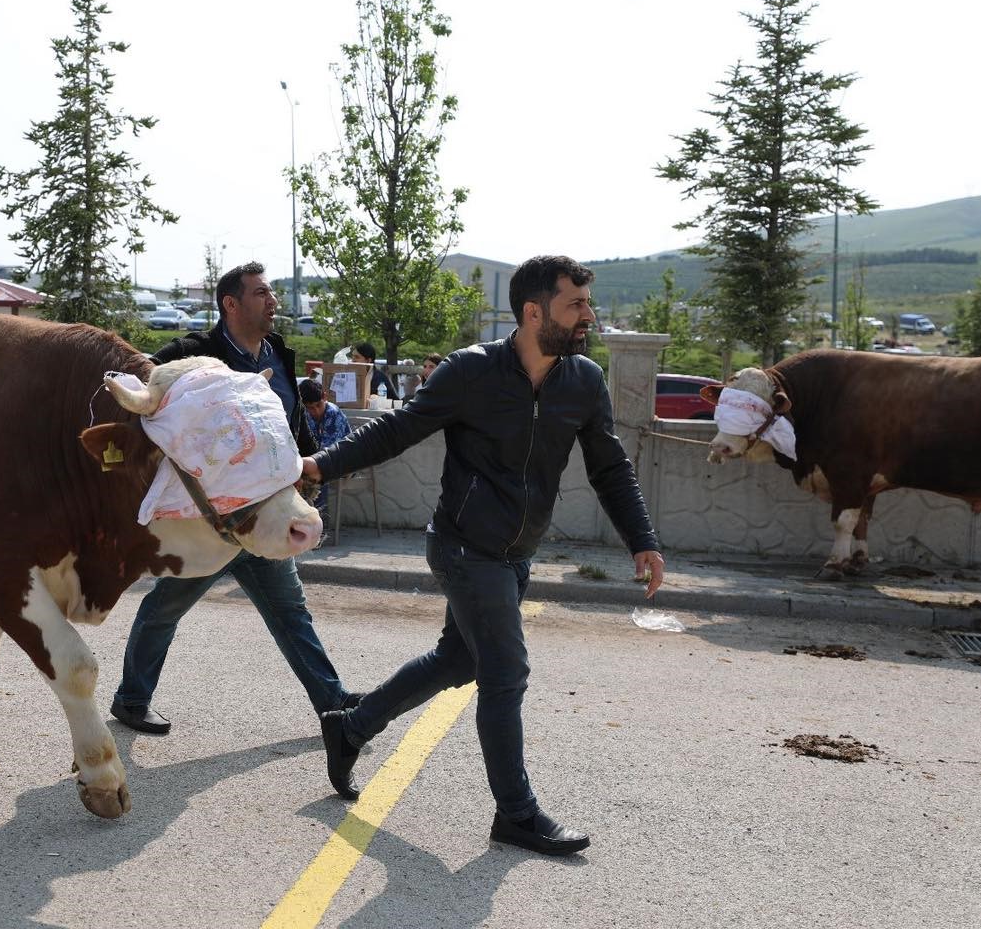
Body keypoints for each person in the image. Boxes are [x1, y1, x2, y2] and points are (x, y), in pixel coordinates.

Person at [302, 255, 665, 856]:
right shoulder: (472, 371)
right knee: (505, 671)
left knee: (457, 660)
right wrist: (321, 464)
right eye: (576, 304)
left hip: (516, 551)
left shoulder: (582, 380)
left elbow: (610, 467)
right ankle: (516, 814)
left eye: (588, 303)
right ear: (534, 312)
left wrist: (642, 538)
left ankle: (351, 728)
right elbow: (398, 428)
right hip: (464, 546)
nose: (588, 316)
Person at [109, 262, 361, 735]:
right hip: (216, 522)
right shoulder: (193, 353)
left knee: (290, 611)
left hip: (269, 513)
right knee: (165, 608)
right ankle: (132, 699)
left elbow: (288, 422)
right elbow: (144, 398)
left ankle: (333, 701)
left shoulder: (278, 353)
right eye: (262, 293)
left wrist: (308, 464)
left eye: (271, 293)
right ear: (231, 303)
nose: (273, 302)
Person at [297, 377, 350, 526]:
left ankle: (320, 525)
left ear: (325, 397)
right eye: (310, 407)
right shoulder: (303, 414)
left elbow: (327, 453)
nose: (315, 411)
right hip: (315, 459)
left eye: (318, 405)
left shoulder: (333, 413)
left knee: (318, 474)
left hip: (344, 460)